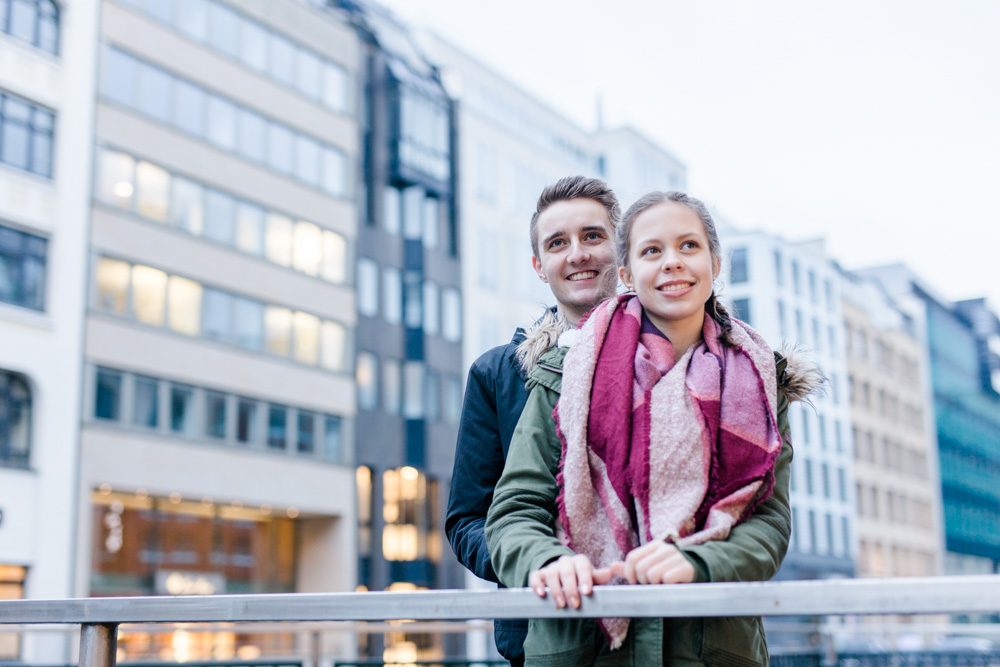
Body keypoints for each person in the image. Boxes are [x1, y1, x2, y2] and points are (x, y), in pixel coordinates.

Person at [485, 191, 822, 666]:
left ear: (715, 262)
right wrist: (547, 561)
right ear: (625, 274)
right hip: (585, 645)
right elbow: (514, 510)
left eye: (688, 246)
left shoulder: (762, 380)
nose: (672, 263)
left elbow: (769, 524)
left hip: (708, 649)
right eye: (651, 251)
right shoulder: (565, 373)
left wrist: (698, 562)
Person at [446, 176, 622, 666]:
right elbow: (466, 520)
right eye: (557, 243)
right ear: (539, 266)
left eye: (592, 236)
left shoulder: (675, 355)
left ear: (621, 248)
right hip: (543, 631)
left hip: (663, 634)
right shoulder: (496, 374)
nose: (577, 254)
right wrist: (535, 563)